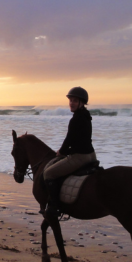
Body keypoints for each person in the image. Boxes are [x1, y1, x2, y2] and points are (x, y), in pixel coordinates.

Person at [43, 86, 97, 217]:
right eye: (70, 100)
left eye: (74, 101)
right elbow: (80, 139)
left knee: (49, 173)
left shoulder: (76, 119)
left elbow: (69, 139)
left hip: (80, 156)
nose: (71, 103)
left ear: (82, 103)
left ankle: (55, 206)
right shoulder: (86, 115)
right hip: (91, 155)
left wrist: (61, 152)